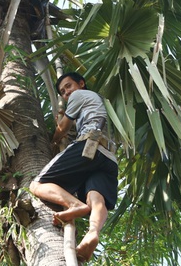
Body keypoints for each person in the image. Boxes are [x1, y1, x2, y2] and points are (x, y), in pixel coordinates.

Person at [29, 72, 118, 263]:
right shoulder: (99, 104)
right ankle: (92, 233)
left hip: (89, 145)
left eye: (69, 86)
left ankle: (75, 204)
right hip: (109, 157)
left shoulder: (80, 95)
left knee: (36, 185)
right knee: (95, 195)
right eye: (62, 91)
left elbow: (62, 128)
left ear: (81, 84)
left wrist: (52, 142)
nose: (66, 92)